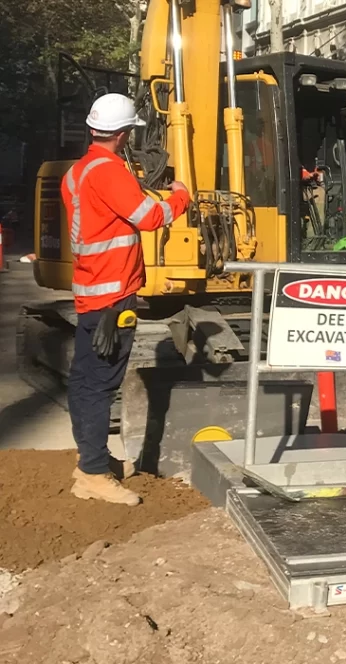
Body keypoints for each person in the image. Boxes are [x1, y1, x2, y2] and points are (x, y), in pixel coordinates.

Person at [61, 93, 191, 506]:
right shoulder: (109, 171)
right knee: (101, 386)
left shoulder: (77, 172)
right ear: (123, 134)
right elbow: (150, 218)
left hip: (90, 292)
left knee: (84, 382)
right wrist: (181, 195)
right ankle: (94, 474)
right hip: (113, 297)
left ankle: (90, 460)